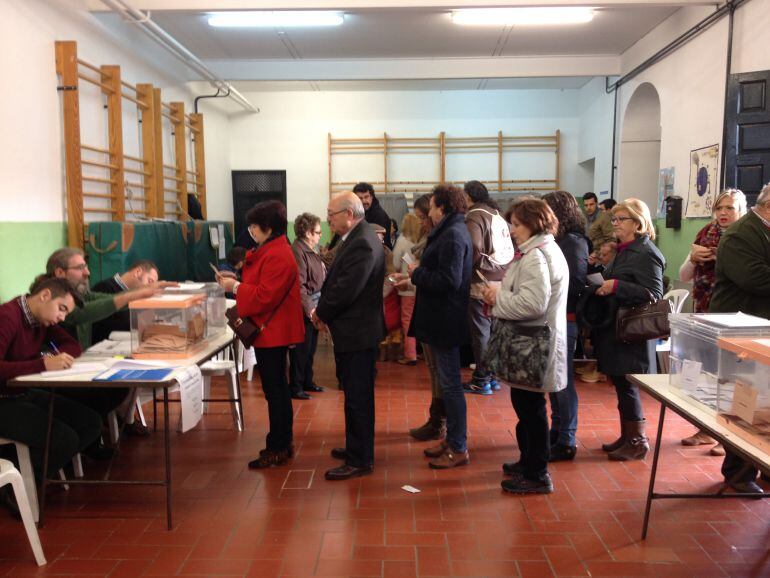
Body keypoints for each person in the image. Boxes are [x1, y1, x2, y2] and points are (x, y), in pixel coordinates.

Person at [482, 198, 568, 494]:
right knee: (527, 406)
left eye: (517, 224)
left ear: (534, 223)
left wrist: (496, 298)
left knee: (531, 410)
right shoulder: (539, 250)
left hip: (533, 344)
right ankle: (529, 461)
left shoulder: (536, 255)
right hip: (533, 342)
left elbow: (532, 304)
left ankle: (537, 473)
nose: (512, 230)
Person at [218, 201, 304, 468]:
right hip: (271, 329)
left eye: (254, 226)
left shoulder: (279, 254)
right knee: (275, 389)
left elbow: (265, 296)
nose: (251, 231)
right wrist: (236, 280)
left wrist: (235, 287)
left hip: (273, 331)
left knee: (276, 391)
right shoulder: (272, 249)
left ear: (267, 228)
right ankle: (280, 441)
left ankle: (278, 445)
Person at [397, 185, 473, 469]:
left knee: (451, 386)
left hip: (446, 318)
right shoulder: (450, 231)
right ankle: (452, 439)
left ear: (442, 208)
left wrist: (417, 273)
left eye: (431, 206)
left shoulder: (453, 234)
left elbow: (449, 280)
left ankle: (458, 445)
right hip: (441, 317)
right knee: (447, 383)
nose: (428, 211)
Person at [0, 277, 102, 486]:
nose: (62, 317)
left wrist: (55, 359)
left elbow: (72, 345)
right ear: (45, 295)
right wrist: (43, 364)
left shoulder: (41, 320)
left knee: (91, 423)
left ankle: (37, 472)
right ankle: (18, 486)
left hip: (22, 392)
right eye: (61, 308)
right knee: (64, 440)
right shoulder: (7, 316)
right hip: (3, 400)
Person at [313, 193, 385, 480]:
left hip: (358, 331)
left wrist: (322, 312)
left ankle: (360, 458)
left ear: (349, 214)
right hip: (354, 330)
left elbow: (346, 289)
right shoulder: (357, 236)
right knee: (355, 395)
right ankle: (356, 446)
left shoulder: (363, 243)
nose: (328, 219)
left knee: (358, 397)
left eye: (331, 214)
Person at [709, 183, 770, 494]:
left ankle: (764, 466)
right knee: (745, 404)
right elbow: (755, 278)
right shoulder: (740, 235)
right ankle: (738, 474)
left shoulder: (761, 230)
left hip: (760, 329)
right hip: (742, 330)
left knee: (765, 406)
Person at [593, 198, 665, 461]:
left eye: (621, 219)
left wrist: (616, 287)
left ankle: (637, 441)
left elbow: (654, 294)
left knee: (628, 385)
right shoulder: (625, 249)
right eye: (614, 219)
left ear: (638, 222)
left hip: (634, 329)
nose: (615, 224)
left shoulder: (646, 253)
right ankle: (627, 435)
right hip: (619, 326)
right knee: (622, 384)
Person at [679, 189, 747, 456]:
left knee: (734, 377)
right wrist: (694, 259)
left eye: (730, 208)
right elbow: (684, 276)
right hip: (707, 314)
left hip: (736, 317)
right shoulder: (703, 236)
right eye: (719, 208)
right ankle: (707, 429)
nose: (723, 213)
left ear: (742, 211)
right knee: (709, 375)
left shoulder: (745, 239)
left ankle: (728, 437)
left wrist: (723, 258)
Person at [542, 191, 589, 462]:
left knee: (563, 382)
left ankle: (567, 438)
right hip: (556, 317)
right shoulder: (562, 240)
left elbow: (574, 282)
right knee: (555, 381)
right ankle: (557, 430)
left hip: (566, 318)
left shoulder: (573, 242)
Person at [463, 180, 514, 395]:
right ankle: (492, 376)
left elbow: (474, 245)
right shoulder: (496, 213)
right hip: (502, 276)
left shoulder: (474, 215)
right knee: (493, 330)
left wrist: (468, 265)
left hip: (481, 279)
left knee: (481, 332)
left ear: (468, 197)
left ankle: (481, 378)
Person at [405, 195, 447, 441]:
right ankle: (436, 419)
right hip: (428, 306)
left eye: (425, 215)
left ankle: (439, 421)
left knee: (440, 371)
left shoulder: (446, 237)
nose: (423, 221)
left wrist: (417, 273)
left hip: (437, 311)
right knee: (433, 368)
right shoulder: (434, 237)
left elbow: (444, 278)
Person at [289, 213, 326, 400]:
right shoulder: (298, 251)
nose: (321, 235)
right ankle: (296, 386)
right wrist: (310, 309)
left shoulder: (311, 248)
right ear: (308, 233)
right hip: (305, 306)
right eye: (318, 232)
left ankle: (307, 381)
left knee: (311, 348)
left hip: (314, 303)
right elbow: (299, 285)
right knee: (301, 350)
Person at [91, 260, 160, 344]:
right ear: (138, 272)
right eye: (150, 281)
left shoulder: (133, 294)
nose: (150, 287)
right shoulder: (103, 288)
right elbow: (105, 328)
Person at [391, 213, 424, 366]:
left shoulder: (403, 241)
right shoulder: (423, 239)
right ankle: (420, 351)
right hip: (423, 284)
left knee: (407, 319)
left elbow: (396, 262)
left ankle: (410, 354)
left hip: (407, 285)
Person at [353, 182, 393, 249]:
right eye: (360, 198)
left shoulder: (379, 215)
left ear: (371, 197)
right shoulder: (357, 212)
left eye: (366, 197)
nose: (364, 201)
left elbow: (378, 244)